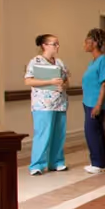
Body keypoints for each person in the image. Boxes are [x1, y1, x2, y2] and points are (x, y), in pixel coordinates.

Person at [24, 34, 70, 176]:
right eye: (54, 44)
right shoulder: (35, 62)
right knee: (43, 134)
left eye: (58, 43)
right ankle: (36, 165)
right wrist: (50, 82)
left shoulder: (60, 62)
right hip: (42, 105)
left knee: (59, 134)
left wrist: (63, 85)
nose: (57, 46)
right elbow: (28, 81)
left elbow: (66, 80)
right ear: (44, 45)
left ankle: (56, 162)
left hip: (60, 104)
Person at [81, 28, 105, 174]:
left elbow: (104, 83)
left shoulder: (103, 61)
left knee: (92, 132)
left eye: (86, 41)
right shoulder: (93, 62)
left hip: (96, 103)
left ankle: (97, 163)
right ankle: (101, 162)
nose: (84, 44)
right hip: (89, 102)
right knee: (96, 132)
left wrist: (98, 105)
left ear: (94, 43)